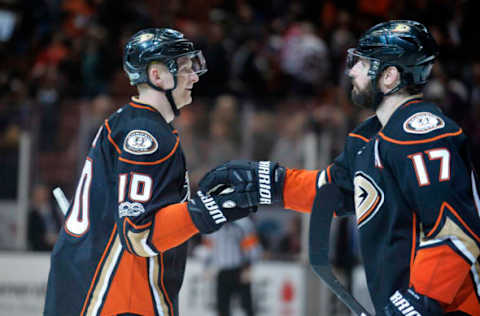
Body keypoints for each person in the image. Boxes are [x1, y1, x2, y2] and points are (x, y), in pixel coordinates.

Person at [199, 20, 480, 315]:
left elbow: (453, 231)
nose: (352, 71)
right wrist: (264, 182)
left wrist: (418, 302)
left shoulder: (423, 135)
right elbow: (329, 189)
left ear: (389, 76)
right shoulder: (370, 138)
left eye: (361, 63)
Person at [44, 28, 256, 316]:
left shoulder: (127, 121)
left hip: (84, 280)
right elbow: (138, 232)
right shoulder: (146, 134)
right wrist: (214, 208)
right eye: (184, 68)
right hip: (112, 293)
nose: (194, 76)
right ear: (157, 76)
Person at [203, 217, 262, 316]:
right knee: (222, 307)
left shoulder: (243, 223)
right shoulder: (211, 223)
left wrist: (249, 267)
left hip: (240, 271)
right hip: (221, 271)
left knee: (247, 305)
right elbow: (208, 248)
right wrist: (206, 267)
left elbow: (252, 248)